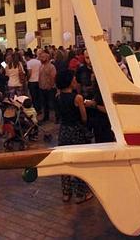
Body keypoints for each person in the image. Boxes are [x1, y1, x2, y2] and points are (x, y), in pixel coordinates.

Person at [55, 70, 93, 203]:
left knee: (64, 161)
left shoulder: (58, 97)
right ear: (70, 81)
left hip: (63, 130)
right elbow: (84, 117)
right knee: (79, 161)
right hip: (76, 131)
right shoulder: (78, 98)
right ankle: (81, 193)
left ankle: (66, 192)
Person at [38, 52, 57, 123]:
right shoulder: (41, 66)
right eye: (41, 57)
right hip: (42, 88)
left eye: (43, 57)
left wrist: (51, 86)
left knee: (53, 103)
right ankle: (46, 117)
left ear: (47, 58)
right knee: (44, 103)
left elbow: (53, 77)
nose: (41, 58)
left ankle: (57, 117)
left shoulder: (51, 66)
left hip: (50, 88)